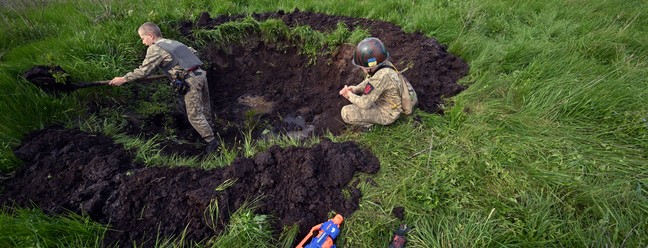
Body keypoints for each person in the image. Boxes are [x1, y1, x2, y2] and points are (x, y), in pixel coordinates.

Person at [109, 22, 219, 154]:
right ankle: (210, 130)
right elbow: (192, 52)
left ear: (150, 35)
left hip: (190, 80)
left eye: (143, 39)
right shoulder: (172, 42)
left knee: (194, 114)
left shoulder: (155, 48)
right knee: (204, 107)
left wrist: (124, 78)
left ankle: (211, 141)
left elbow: (144, 70)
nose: (143, 42)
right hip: (200, 74)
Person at [338, 37, 410, 129]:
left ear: (369, 67)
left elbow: (364, 103)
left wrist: (349, 95)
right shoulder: (382, 65)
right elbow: (369, 81)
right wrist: (355, 89)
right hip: (385, 101)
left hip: (388, 112)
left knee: (346, 112)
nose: (361, 69)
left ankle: (369, 126)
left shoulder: (380, 77)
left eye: (362, 67)